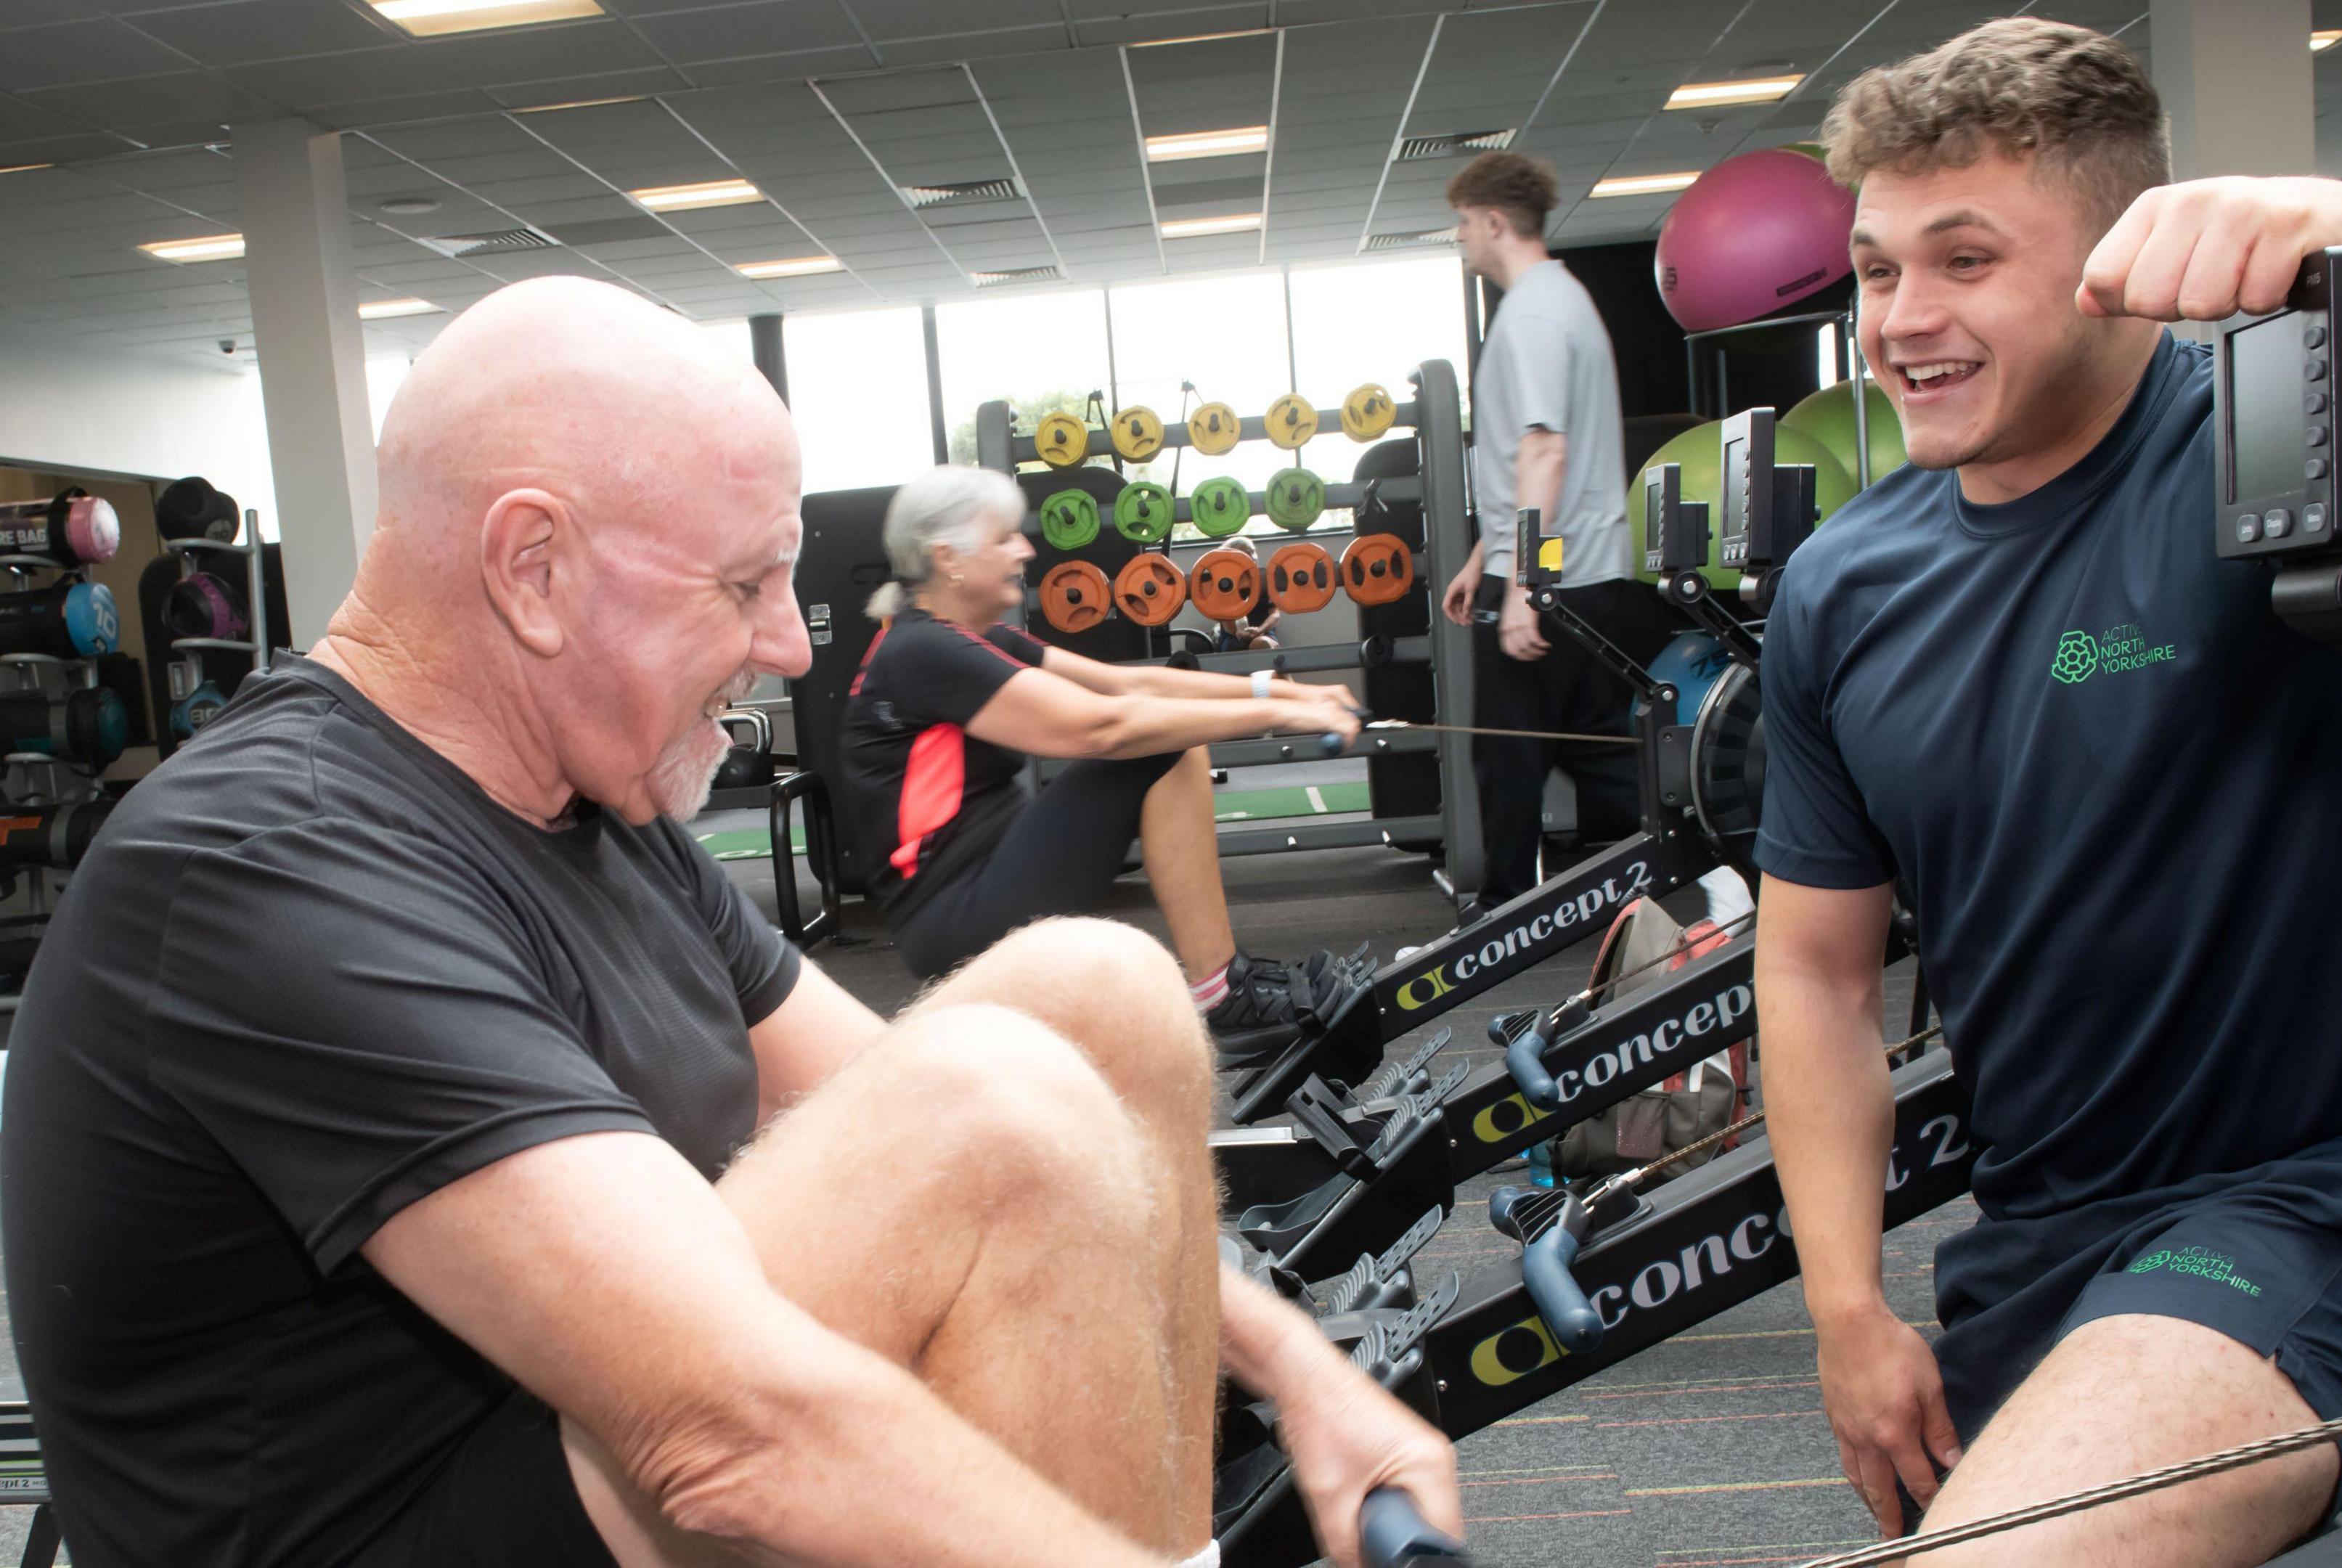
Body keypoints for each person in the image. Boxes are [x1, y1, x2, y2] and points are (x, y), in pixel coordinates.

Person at [0, 277, 1457, 1568]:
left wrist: (1298, 1368)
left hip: (572, 1465)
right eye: (746, 583)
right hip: (422, 1521)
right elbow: (729, 1435)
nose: (791, 641)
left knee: (1101, 997)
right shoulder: (274, 858)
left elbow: (884, 1103)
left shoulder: (596, 806)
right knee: (994, 1110)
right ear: (533, 567)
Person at [1753, 19, 2342, 1567]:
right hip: (2040, 1245)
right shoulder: (1844, 588)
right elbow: (1815, 974)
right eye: (1878, 270)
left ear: (2116, 256)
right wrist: (1847, 1311)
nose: (1902, 320)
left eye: (1964, 260)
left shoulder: (2266, 454)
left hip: (2330, 1202)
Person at [837, 467, 1360, 1058]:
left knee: (1166, 732)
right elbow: (1102, 725)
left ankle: (1222, 987)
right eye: (1005, 537)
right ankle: (1222, 993)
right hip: (958, 913)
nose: (1025, 549)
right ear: (947, 558)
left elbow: (1122, 683)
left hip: (986, 873)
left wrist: (1285, 693)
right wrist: (1284, 717)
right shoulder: (921, 651)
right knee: (1164, 742)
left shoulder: (966, 639)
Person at [1441, 150, 1681, 919]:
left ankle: (1503, 913)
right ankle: (1711, 871)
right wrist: (1486, 555)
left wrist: (1526, 584)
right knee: (1587, 745)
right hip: (1573, 572)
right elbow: (1530, 455)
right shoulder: (1560, 300)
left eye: (1462, 226)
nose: (1459, 241)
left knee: (1511, 753)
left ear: (1493, 221)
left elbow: (1547, 450)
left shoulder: (1537, 314)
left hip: (1558, 579)